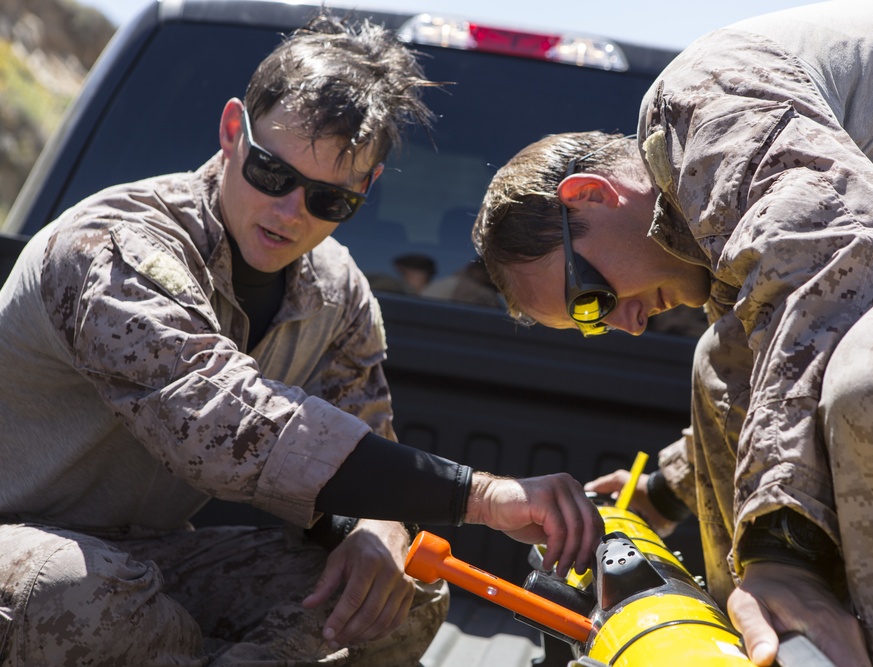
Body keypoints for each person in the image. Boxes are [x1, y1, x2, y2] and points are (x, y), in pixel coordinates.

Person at [0, 13, 603, 666]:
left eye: (328, 200)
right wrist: (483, 496)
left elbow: (364, 447)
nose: (290, 212)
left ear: (365, 190)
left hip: (152, 550)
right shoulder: (114, 246)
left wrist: (373, 530)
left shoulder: (336, 289)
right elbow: (222, 423)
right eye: (271, 173)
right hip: (23, 543)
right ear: (234, 131)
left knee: (396, 589)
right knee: (73, 598)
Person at [471, 1, 873, 665]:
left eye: (590, 298)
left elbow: (834, 255)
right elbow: (773, 354)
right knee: (722, 361)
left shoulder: (700, 95)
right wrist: (665, 491)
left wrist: (781, 543)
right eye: (593, 323)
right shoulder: (718, 249)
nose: (624, 323)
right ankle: (773, 641)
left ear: (591, 195)